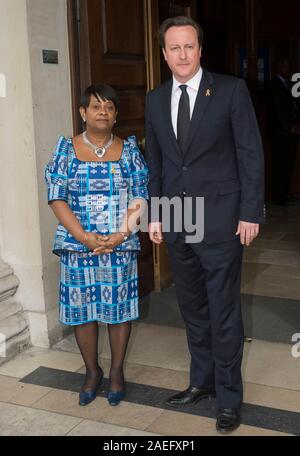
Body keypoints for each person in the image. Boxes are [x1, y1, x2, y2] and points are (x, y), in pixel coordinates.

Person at [145, 16, 264, 433]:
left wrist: (251, 211)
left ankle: (229, 398)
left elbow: (250, 153)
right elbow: (155, 163)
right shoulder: (155, 99)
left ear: (200, 50)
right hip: (178, 218)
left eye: (189, 46)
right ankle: (202, 383)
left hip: (221, 219)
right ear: (164, 54)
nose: (182, 54)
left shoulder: (230, 90)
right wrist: (155, 213)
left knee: (223, 310)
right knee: (193, 308)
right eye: (173, 48)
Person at [45, 84, 148, 407]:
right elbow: (56, 197)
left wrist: (119, 236)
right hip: (78, 246)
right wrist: (85, 238)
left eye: (109, 107)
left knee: (118, 312)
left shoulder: (130, 151)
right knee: (82, 312)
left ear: (116, 115)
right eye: (95, 107)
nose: (102, 112)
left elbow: (140, 197)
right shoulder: (65, 150)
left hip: (119, 243)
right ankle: (92, 372)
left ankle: (116, 372)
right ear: (82, 113)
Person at [268, 59, 299, 205]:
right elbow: (277, 109)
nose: (288, 69)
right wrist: (288, 126)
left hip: (289, 131)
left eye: (289, 66)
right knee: (280, 164)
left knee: (289, 163)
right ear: (279, 68)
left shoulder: (288, 84)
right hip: (280, 132)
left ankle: (286, 193)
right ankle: (279, 196)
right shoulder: (274, 84)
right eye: (285, 66)